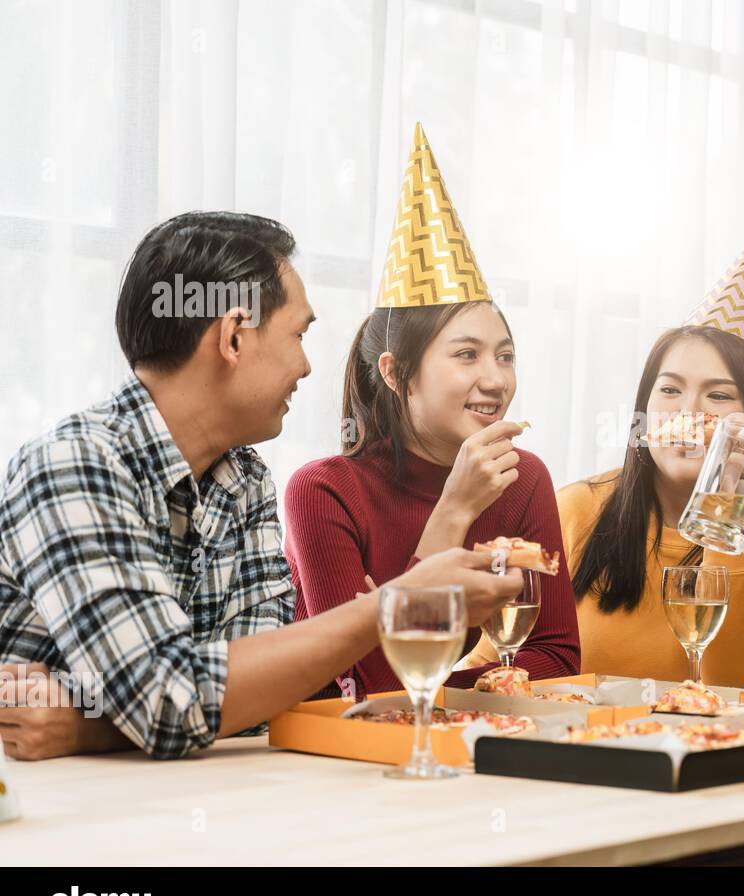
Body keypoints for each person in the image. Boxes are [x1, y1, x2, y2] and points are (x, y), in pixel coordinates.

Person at [0, 210, 520, 760]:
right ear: (232, 337)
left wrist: (87, 727)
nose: (307, 366)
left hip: (194, 802)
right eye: (298, 334)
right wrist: (396, 604)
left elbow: (262, 701)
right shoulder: (74, 465)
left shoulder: (244, 479)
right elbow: (170, 704)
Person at [285, 123, 580, 700]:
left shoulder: (523, 481)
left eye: (505, 355)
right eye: (465, 355)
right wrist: (454, 510)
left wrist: (415, 640)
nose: (494, 379)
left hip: (458, 751)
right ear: (396, 374)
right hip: (337, 764)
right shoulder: (323, 492)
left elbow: (558, 657)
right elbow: (377, 690)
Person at [556, 213, 744, 686]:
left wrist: (731, 509)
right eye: (669, 390)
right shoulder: (575, 509)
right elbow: (504, 666)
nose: (689, 413)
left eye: (719, 396)